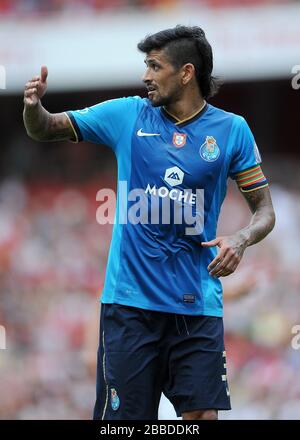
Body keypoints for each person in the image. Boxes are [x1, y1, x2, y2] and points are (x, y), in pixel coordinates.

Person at [23, 25, 275, 420]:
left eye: (155, 66)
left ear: (186, 72)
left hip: (196, 308)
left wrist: (241, 238)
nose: (145, 76)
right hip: (129, 309)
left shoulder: (231, 131)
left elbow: (265, 211)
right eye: (146, 65)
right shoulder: (127, 114)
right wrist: (33, 107)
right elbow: (47, 127)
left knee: (202, 418)